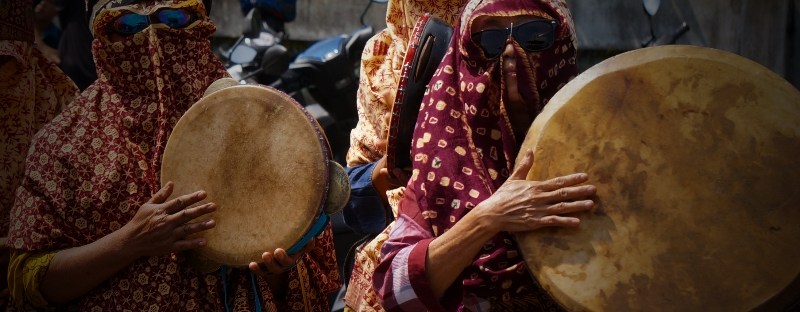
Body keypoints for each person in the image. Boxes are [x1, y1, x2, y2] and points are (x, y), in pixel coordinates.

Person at [6, 0, 340, 310]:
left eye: (174, 19)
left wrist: (276, 271)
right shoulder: (65, 141)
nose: (152, 38)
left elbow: (310, 277)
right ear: (99, 32)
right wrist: (130, 241)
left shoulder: (270, 122)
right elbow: (29, 282)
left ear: (201, 20)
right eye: (127, 25)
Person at [371, 0, 597, 310]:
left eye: (534, 36)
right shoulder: (445, 157)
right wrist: (488, 217)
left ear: (561, 46)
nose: (510, 51)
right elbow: (396, 293)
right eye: (490, 39)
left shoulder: (607, 145)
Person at [342, 0, 468, 310]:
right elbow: (351, 193)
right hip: (400, 253)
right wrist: (385, 173)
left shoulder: (504, 37)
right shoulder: (381, 55)